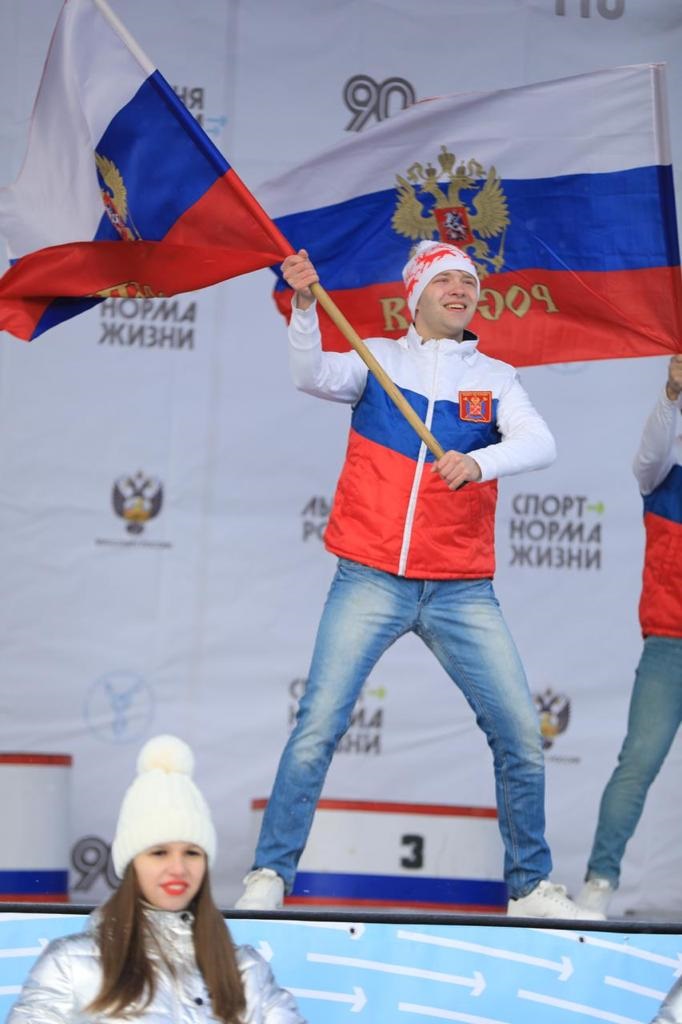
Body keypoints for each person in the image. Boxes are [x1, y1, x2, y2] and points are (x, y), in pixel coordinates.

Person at [236, 240, 603, 920]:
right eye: (445, 281)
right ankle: (269, 875)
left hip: (460, 587)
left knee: (521, 735)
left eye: (470, 281)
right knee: (318, 726)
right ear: (416, 295)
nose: (461, 290)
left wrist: (481, 462)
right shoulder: (376, 358)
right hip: (371, 576)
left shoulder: (496, 377)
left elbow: (541, 443)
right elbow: (309, 374)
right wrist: (307, 307)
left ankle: (530, 889)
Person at [8, 734, 306, 1024]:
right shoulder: (69, 963)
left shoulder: (247, 971)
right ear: (131, 864)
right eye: (159, 853)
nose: (178, 868)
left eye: (191, 853)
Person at [578, 355, 682, 917]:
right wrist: (670, 394)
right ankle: (598, 886)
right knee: (637, 763)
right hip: (671, 646)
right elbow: (648, 453)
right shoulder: (664, 474)